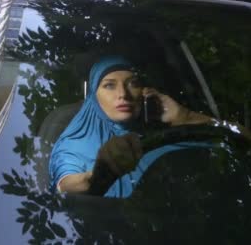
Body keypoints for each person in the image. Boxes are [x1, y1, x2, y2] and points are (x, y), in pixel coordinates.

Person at [49, 55, 214, 197]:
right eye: (109, 85)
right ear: (94, 96)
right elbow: (64, 187)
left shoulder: (166, 134)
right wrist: (101, 174)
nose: (123, 94)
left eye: (132, 84)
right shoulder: (73, 145)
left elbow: (237, 139)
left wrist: (186, 117)